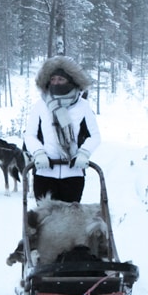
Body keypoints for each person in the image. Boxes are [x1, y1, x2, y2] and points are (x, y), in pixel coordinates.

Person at [24, 56, 101, 203]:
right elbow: (30, 135)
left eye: (60, 79)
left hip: (73, 173)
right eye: (52, 79)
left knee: (70, 220)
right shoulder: (40, 105)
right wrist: (39, 153)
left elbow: (95, 136)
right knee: (45, 220)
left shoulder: (83, 106)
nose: (55, 83)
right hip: (44, 172)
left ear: (71, 81)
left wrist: (84, 153)